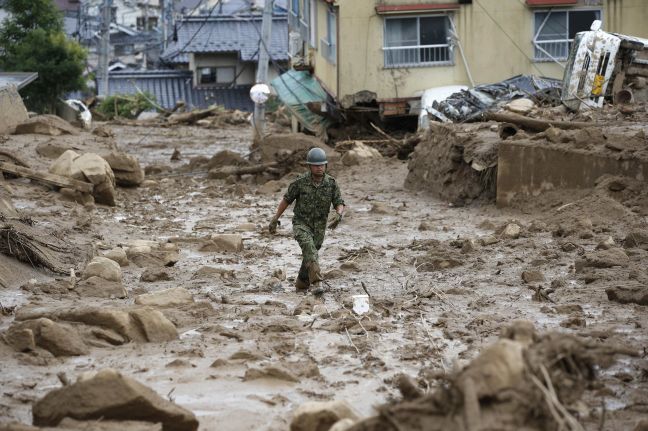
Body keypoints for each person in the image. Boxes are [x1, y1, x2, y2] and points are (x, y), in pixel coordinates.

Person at [268, 147, 345, 294]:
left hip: (319, 228)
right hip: (301, 224)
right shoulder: (300, 182)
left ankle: (302, 283)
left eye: (322, 165)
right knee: (309, 249)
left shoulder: (331, 183)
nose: (319, 168)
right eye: (316, 165)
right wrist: (275, 218)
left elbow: (339, 202)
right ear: (309, 166)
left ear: (326, 165)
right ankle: (317, 283)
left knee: (311, 254)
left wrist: (338, 214)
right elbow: (286, 200)